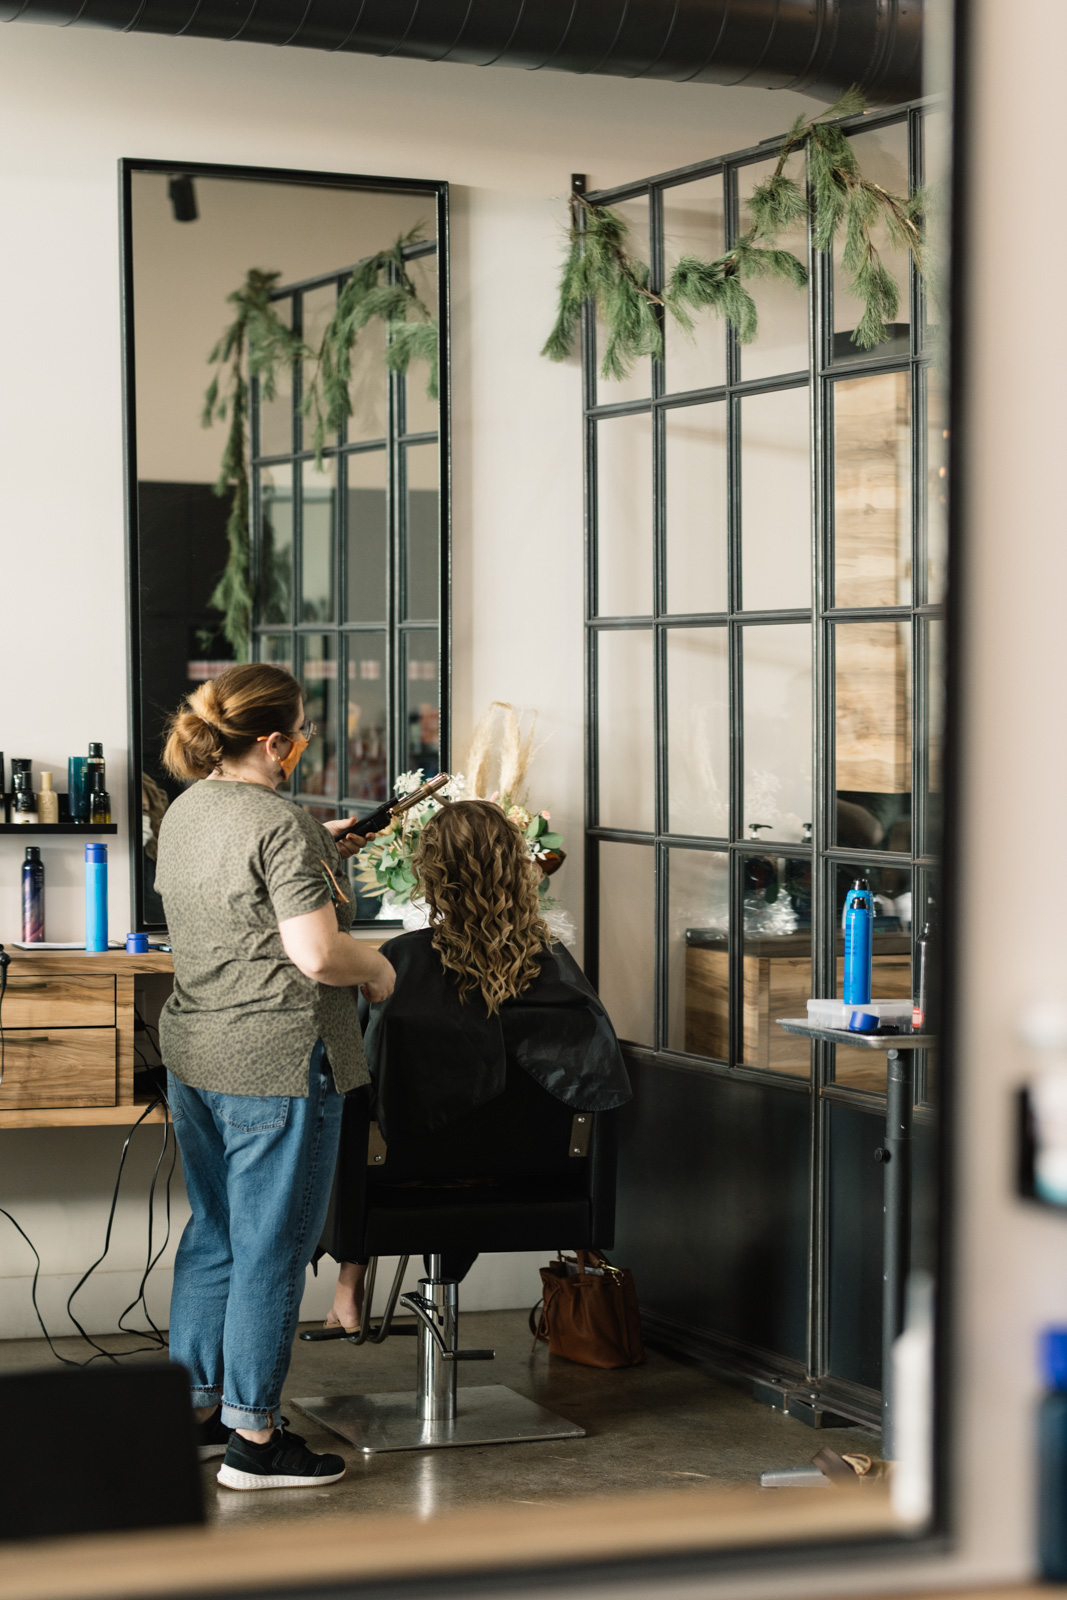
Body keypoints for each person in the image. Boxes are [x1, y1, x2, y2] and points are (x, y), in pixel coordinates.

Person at [155, 662, 395, 1492]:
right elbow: (318, 955)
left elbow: (239, 897)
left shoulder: (188, 810)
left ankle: (194, 1405)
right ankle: (254, 1440)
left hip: (197, 1053)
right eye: (299, 733)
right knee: (272, 1250)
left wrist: (317, 850)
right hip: (279, 1062)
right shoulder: (280, 824)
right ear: (275, 741)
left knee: (217, 1232)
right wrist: (376, 971)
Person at [320, 798, 631, 1335]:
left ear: (429, 874)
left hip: (408, 1177)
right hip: (535, 1175)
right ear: (518, 870)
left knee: (350, 1105)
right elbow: (594, 1080)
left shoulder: (398, 960)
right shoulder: (554, 963)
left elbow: (362, 1083)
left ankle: (350, 1286)